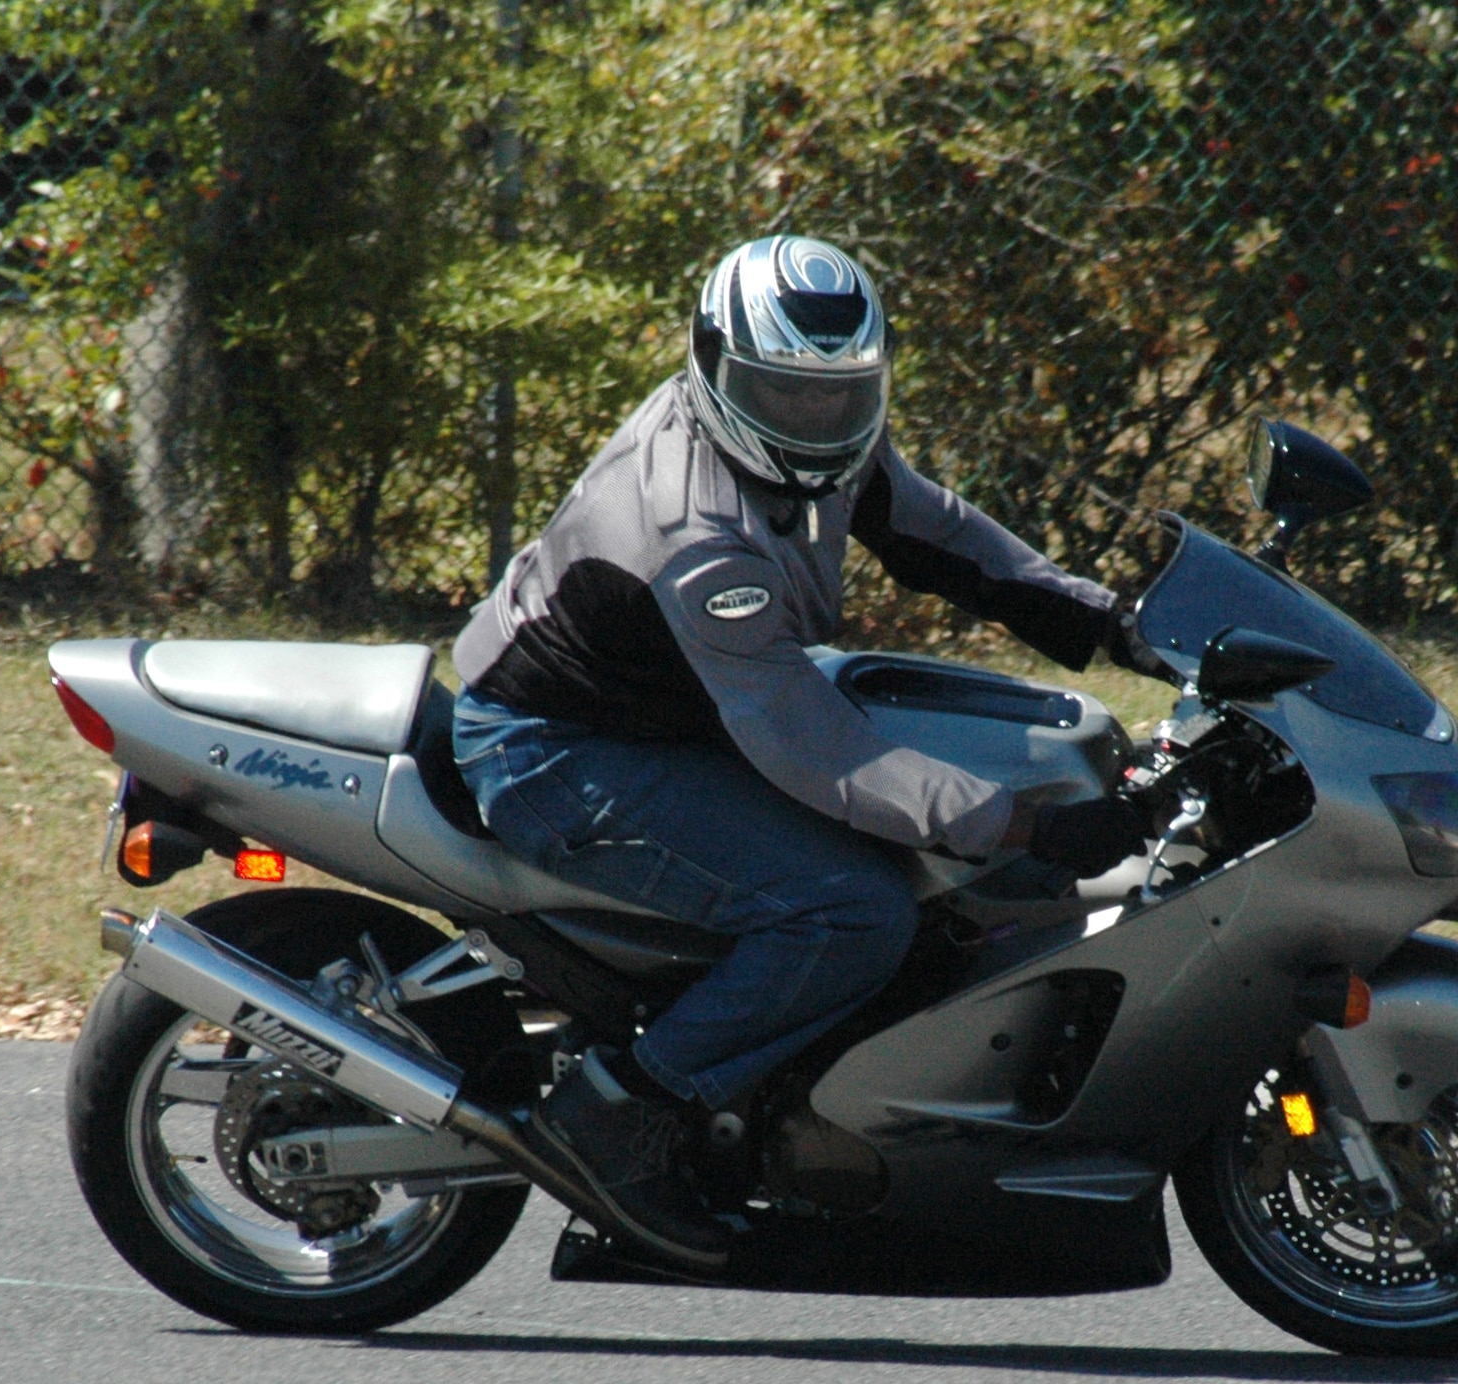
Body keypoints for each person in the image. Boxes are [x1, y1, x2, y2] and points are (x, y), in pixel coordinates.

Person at [451, 235, 1156, 1269]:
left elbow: (935, 534)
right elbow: (811, 748)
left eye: (837, 395)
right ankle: (614, 1113)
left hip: (676, 708)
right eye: (783, 393)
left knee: (943, 829)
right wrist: (1026, 824)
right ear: (713, 359)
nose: (813, 418)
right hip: (560, 750)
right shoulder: (699, 534)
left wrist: (1113, 621)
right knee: (851, 911)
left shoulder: (787, 433)